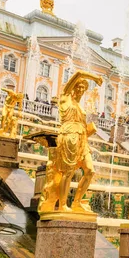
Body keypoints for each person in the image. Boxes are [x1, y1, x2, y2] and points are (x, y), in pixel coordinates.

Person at [49, 70, 102, 213]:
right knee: (68, 172)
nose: (80, 90)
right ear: (72, 88)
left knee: (90, 170)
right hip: (69, 136)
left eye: (83, 88)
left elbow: (83, 125)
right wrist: (95, 77)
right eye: (78, 87)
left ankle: (77, 202)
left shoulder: (80, 106)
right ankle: (62, 205)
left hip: (82, 140)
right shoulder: (65, 97)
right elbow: (78, 73)